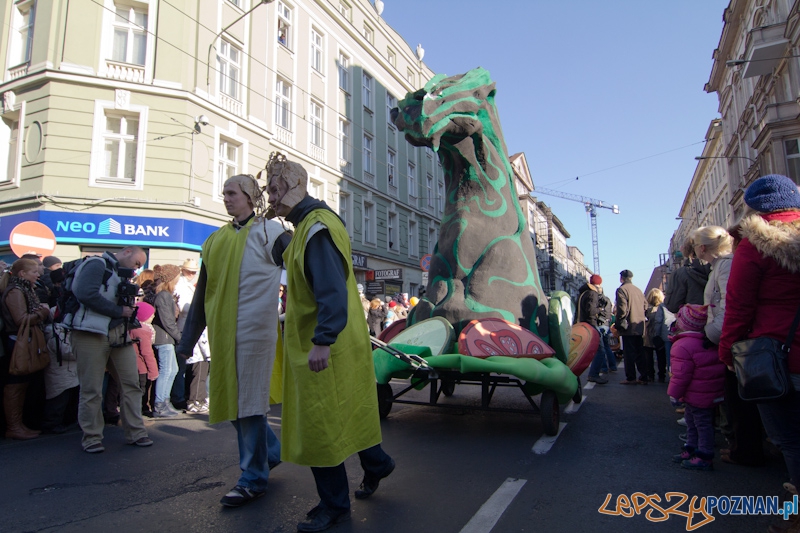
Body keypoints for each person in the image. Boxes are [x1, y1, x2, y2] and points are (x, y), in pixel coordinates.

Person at [266, 152, 395, 533]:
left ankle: (334, 506)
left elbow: (330, 290)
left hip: (323, 347)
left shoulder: (316, 228)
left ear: (295, 186)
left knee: (319, 427)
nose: (270, 197)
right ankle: (378, 464)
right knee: (347, 414)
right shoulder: (311, 225)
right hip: (338, 343)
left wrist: (322, 340)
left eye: (275, 189)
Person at [177, 173, 290, 508]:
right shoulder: (214, 241)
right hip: (223, 335)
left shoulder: (272, 233)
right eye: (224, 193)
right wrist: (186, 341)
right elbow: (202, 295)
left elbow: (302, 275)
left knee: (249, 404)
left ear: (251, 196)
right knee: (232, 403)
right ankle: (271, 452)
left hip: (256, 334)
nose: (225, 198)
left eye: (232, 192)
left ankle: (252, 478)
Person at [719, 175, 800, 493]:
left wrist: (729, 352)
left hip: (777, 357)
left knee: (789, 438)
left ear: (753, 208)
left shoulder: (754, 246)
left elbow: (739, 307)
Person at [67, 246, 152, 453]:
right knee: (92, 388)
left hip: (118, 333)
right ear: (127, 252)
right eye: (136, 263)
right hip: (90, 333)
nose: (136, 269)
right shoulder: (96, 264)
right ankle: (92, 437)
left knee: (131, 384)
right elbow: (85, 293)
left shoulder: (121, 273)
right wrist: (118, 311)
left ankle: (136, 432)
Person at [667, 304, 726, 471]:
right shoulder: (708, 342)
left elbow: (680, 376)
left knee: (698, 424)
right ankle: (693, 448)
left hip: (694, 394)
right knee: (700, 423)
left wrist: (674, 394)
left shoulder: (682, 345)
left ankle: (704, 455)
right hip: (708, 392)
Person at [0, 258, 50, 439]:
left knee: (22, 384)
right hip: (18, 341)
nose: (38, 274)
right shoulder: (16, 291)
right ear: (22, 273)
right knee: (16, 384)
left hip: (22, 339)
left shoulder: (23, 289)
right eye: (34, 272)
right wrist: (43, 312)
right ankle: (14, 426)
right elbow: (21, 320)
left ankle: (18, 425)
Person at [151, 264, 182, 418]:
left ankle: (165, 401)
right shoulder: (163, 295)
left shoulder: (167, 295)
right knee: (166, 371)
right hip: (163, 338)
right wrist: (180, 338)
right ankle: (159, 405)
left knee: (172, 370)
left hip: (167, 338)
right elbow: (167, 322)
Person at [171, 259, 199, 410]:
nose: (192, 275)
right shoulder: (180, 286)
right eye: (189, 272)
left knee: (188, 366)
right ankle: (178, 397)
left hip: (188, 327)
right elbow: (183, 308)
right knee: (180, 367)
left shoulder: (187, 285)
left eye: (194, 272)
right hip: (182, 328)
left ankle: (182, 395)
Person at [615, 270, 648, 385]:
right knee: (640, 352)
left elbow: (622, 309)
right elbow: (645, 305)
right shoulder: (638, 290)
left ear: (622, 278)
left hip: (628, 326)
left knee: (629, 353)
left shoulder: (622, 290)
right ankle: (643, 376)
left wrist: (619, 321)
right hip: (639, 325)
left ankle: (631, 377)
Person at [664, 239, 711, 314]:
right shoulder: (718, 268)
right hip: (718, 317)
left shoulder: (680, 274)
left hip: (693, 318)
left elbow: (672, 306)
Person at [577, 274, 607, 385]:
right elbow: (591, 311)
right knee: (601, 350)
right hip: (591, 324)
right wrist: (600, 310)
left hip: (583, 324)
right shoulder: (592, 293)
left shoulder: (583, 293)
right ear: (598, 284)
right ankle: (593, 374)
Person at [643, 288, 673, 383]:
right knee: (661, 356)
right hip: (659, 335)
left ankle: (650, 375)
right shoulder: (664, 307)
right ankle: (661, 375)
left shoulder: (646, 309)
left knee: (648, 356)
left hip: (648, 335)